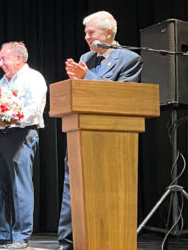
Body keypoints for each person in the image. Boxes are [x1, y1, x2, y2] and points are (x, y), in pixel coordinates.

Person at [56, 11, 142, 250]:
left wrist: (87, 77)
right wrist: (74, 83)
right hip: (80, 134)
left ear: (109, 32)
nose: (86, 37)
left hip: (111, 139)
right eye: (85, 32)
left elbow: (123, 96)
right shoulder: (87, 57)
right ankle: (67, 243)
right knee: (72, 189)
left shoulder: (129, 59)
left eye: (90, 32)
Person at [0, 42, 47, 249]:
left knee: (20, 186)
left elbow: (31, 111)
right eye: (0, 59)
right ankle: (4, 234)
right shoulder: (2, 82)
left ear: (19, 58)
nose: (0, 63)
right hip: (3, 136)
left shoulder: (33, 78)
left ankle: (21, 236)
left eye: (4, 59)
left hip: (23, 134)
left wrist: (7, 119)